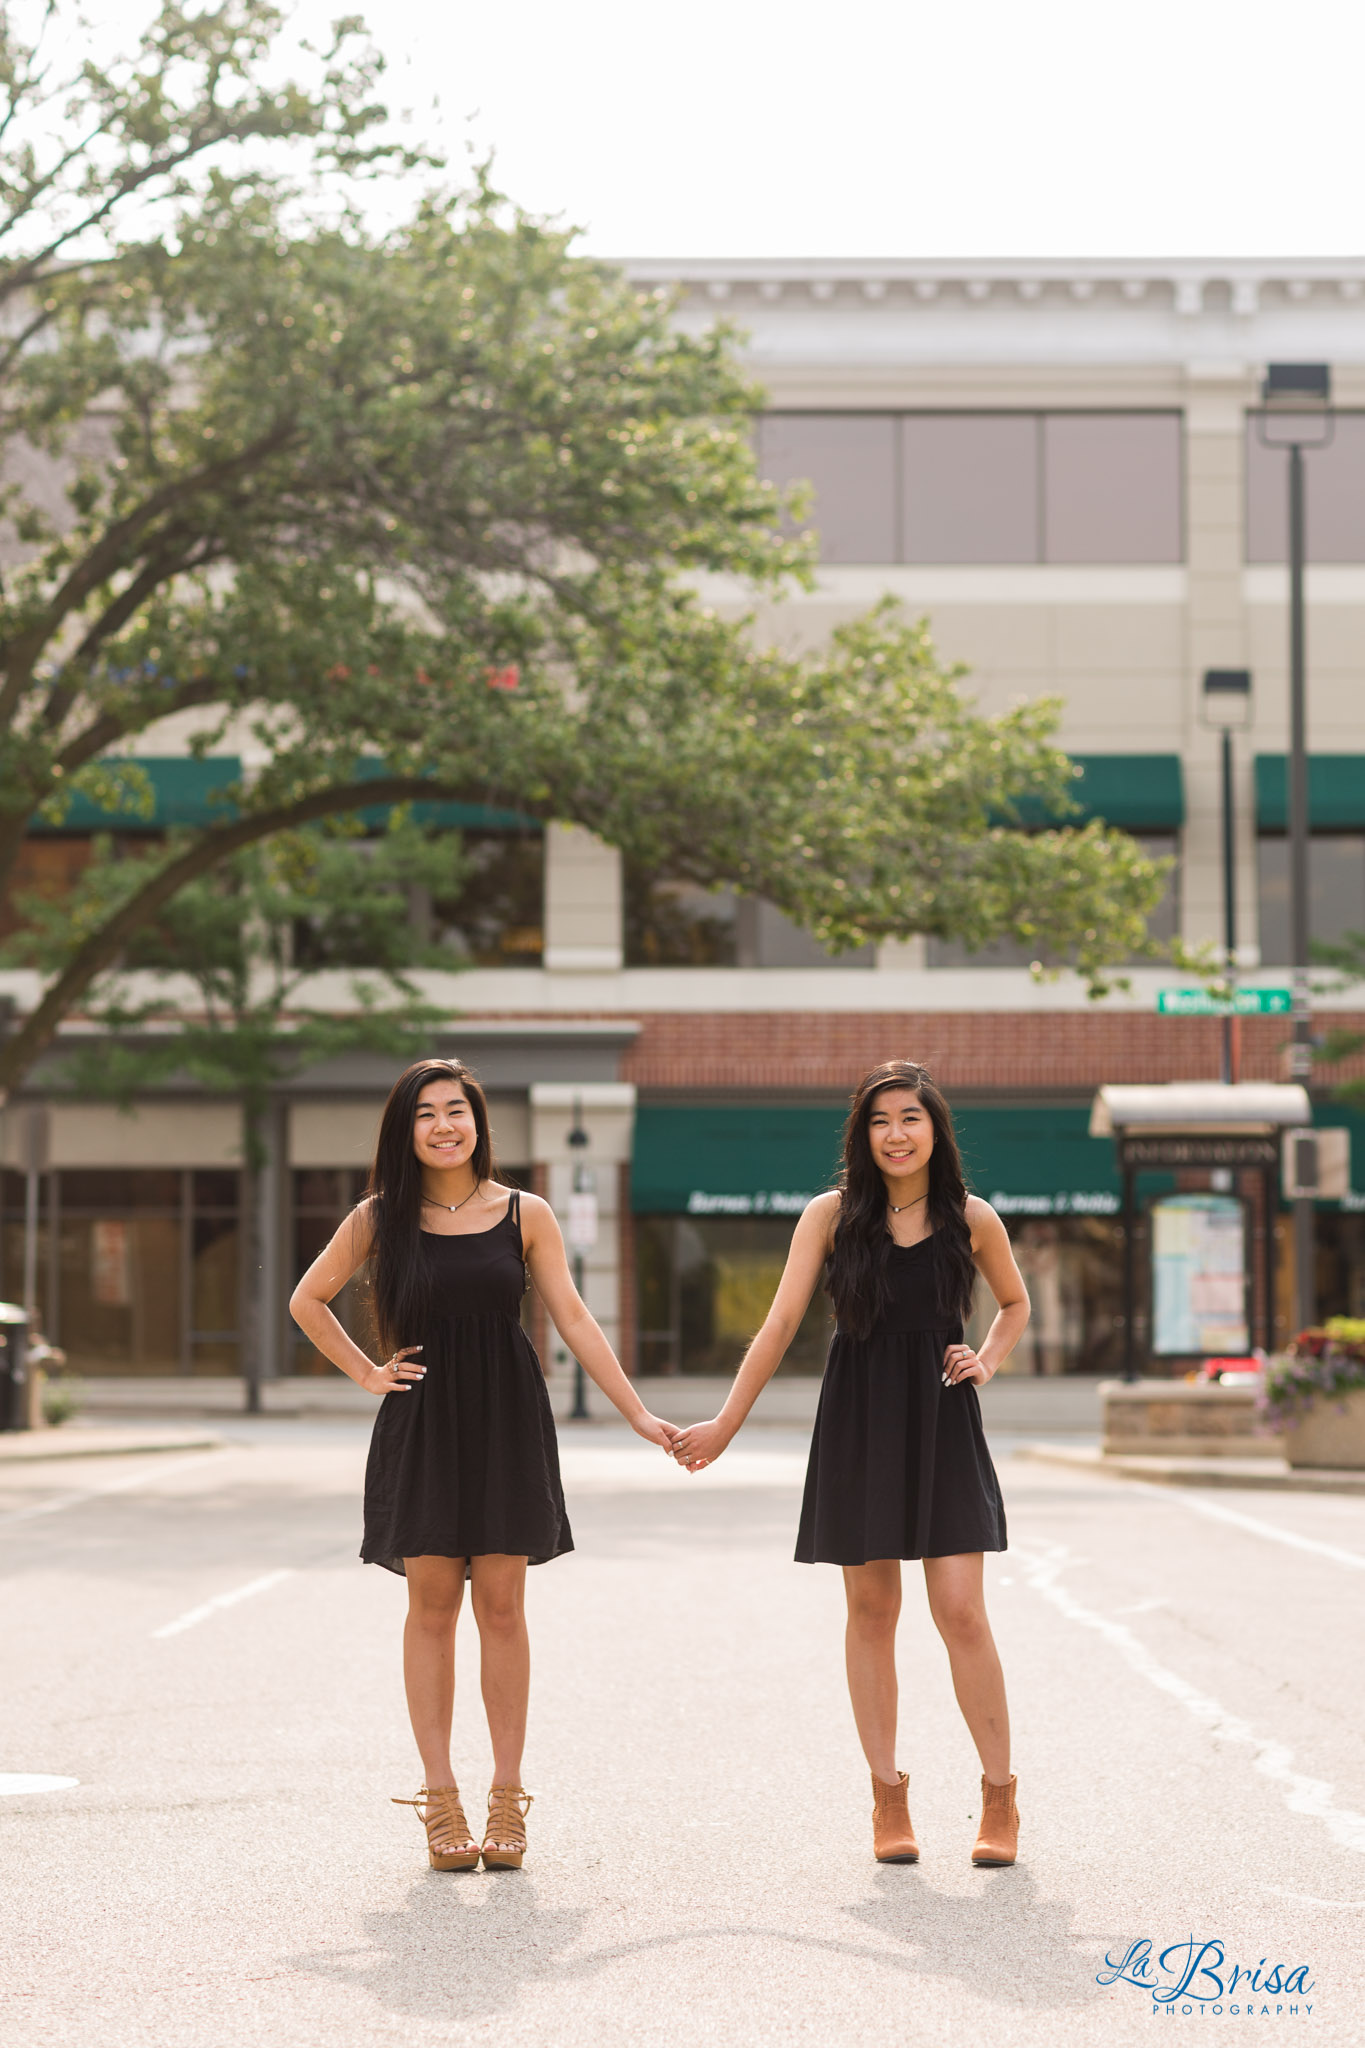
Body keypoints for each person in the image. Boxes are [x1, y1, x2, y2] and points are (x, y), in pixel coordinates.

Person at [290, 1056, 678, 1872]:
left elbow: (573, 1317)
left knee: (501, 1607)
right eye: (425, 1113)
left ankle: (507, 1798)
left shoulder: (523, 1213)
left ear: (477, 1122)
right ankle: (440, 1800)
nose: (442, 1125)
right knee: (431, 1607)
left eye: (455, 1110)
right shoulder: (378, 1217)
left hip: (506, 1417)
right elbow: (307, 1298)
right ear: (406, 1131)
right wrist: (368, 1372)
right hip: (424, 1421)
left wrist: (636, 1413)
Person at [672, 1059, 1030, 1867]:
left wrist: (988, 1359)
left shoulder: (971, 1218)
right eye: (879, 1121)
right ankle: (887, 1797)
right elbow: (778, 1325)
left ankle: (999, 1797)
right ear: (860, 1135)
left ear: (935, 1129)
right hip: (859, 1419)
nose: (895, 1134)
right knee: (871, 1613)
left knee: (961, 1611)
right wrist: (727, 1422)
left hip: (941, 1419)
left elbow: (1013, 1303)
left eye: (909, 1118)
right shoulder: (828, 1217)